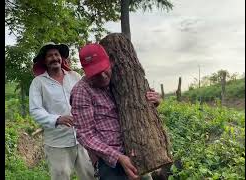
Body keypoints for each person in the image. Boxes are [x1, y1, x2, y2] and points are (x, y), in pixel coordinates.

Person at [70, 43, 161, 180]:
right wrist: (118, 157)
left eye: (104, 68)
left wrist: (153, 102)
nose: (103, 76)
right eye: (95, 73)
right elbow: (86, 135)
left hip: (136, 148)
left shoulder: (121, 79)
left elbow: (135, 108)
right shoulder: (81, 91)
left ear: (110, 61)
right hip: (110, 162)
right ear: (85, 70)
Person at [29, 42, 96, 180]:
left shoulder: (75, 76)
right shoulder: (38, 82)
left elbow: (89, 98)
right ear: (44, 61)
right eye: (49, 56)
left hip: (82, 139)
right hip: (57, 144)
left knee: (90, 176)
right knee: (61, 177)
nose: (54, 58)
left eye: (56, 55)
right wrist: (57, 119)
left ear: (61, 58)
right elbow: (36, 110)